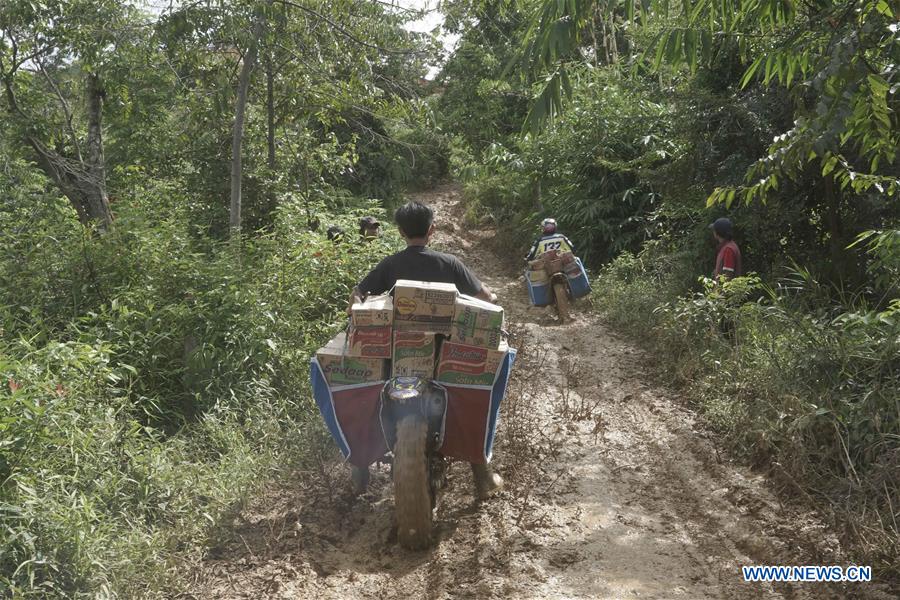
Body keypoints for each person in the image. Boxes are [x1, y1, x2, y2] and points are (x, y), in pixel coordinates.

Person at [349, 201, 502, 499]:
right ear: (432, 230)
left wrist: (357, 308)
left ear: (401, 231)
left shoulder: (390, 264)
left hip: (396, 360)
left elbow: (359, 292)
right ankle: (481, 474)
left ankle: (359, 469)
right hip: (446, 358)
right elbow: (485, 297)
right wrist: (493, 298)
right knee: (472, 395)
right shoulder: (450, 263)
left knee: (364, 391)